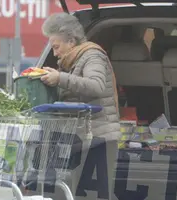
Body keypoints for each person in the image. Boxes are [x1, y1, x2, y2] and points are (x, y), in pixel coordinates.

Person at [41, 12, 120, 141]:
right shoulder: (70, 61)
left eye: (56, 47)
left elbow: (96, 86)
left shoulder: (92, 55)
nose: (54, 54)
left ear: (71, 41)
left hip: (99, 138)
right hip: (84, 136)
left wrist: (60, 78)